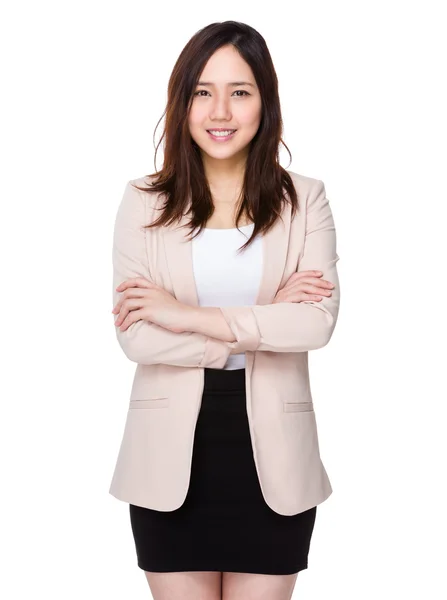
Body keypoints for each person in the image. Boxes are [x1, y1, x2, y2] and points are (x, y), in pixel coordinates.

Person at [110, 20, 340, 600]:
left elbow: (315, 323)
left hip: (274, 460)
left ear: (266, 102)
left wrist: (184, 315)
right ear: (182, 103)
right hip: (168, 455)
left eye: (240, 91)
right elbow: (137, 336)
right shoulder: (143, 202)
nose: (221, 110)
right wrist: (261, 325)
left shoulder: (304, 198)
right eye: (202, 92)